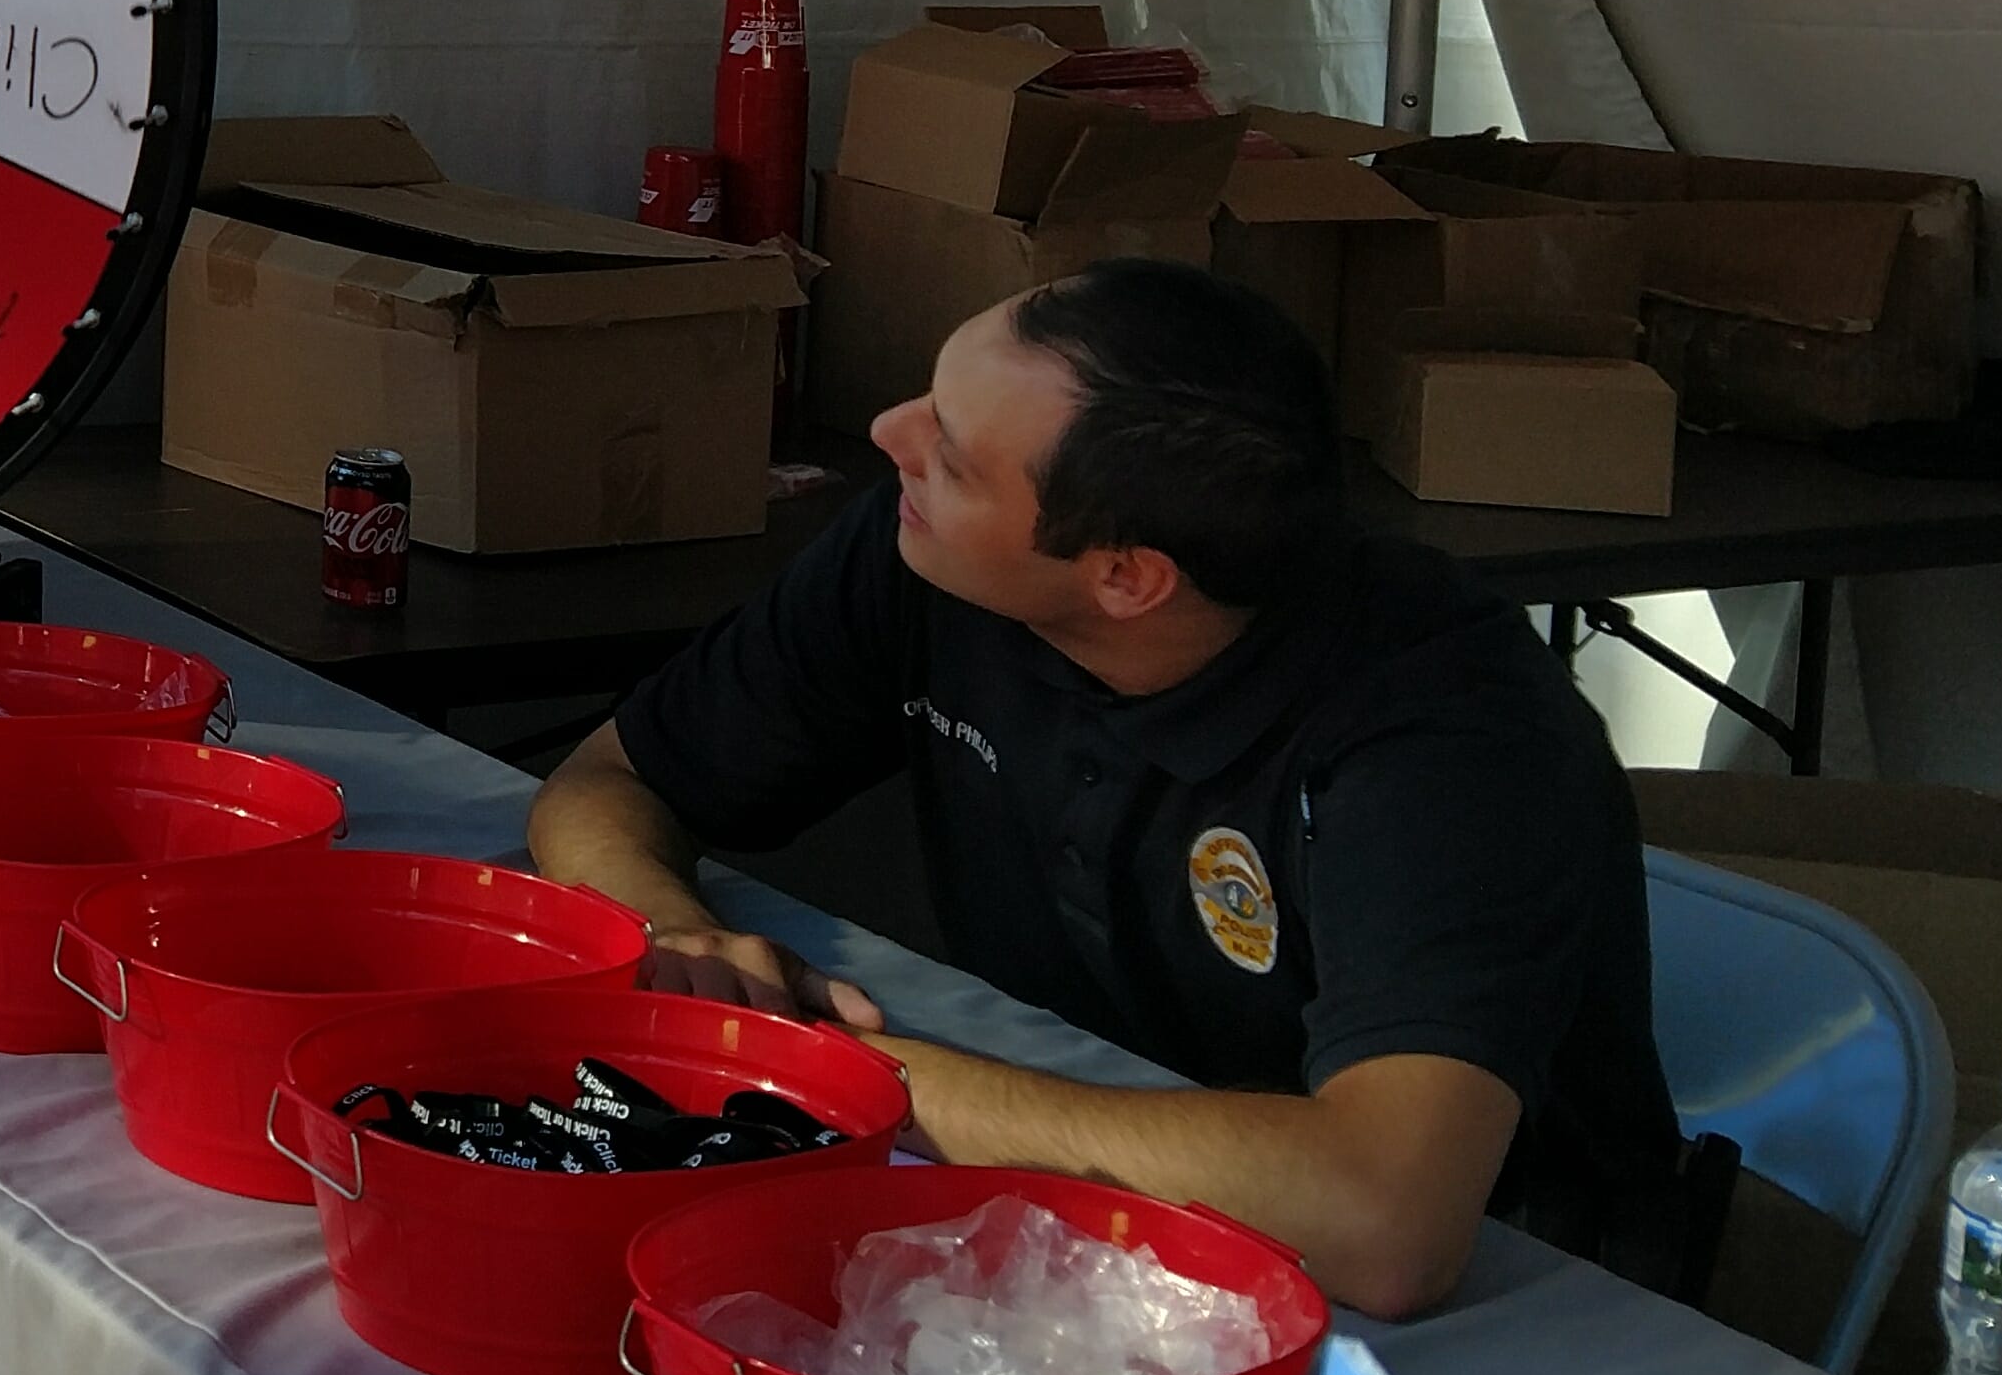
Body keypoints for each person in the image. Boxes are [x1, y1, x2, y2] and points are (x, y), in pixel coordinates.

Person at [527, 260, 1693, 1317]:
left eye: (951, 452)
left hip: (1503, 1322)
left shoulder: (1446, 743)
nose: (888, 434)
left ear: (1126, 579)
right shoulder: (931, 554)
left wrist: (827, 1073)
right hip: (1084, 1228)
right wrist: (667, 931)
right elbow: (611, 779)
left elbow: (1386, 1226)